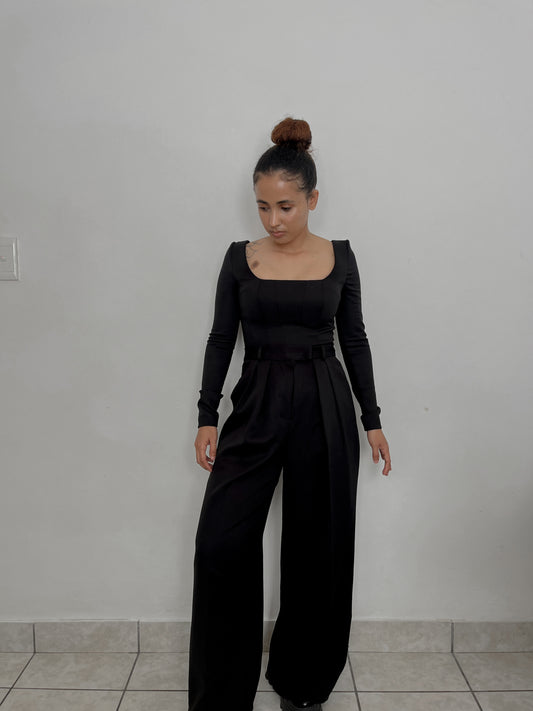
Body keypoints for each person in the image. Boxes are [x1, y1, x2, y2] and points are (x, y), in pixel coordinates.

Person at [189, 117, 391, 711]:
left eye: (285, 206)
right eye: (262, 207)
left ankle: (303, 684)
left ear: (312, 200)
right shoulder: (239, 259)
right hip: (257, 400)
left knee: (318, 547)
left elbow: (354, 340)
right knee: (221, 544)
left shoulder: (341, 258)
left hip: (325, 400)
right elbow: (221, 338)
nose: (273, 220)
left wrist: (372, 419)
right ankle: (222, 695)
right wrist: (206, 414)